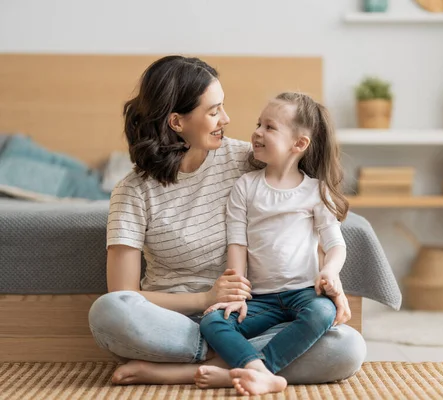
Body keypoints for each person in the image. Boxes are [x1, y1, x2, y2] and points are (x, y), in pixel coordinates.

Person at [87, 55, 366, 386]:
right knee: (108, 311)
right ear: (177, 122)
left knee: (347, 347)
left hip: (251, 315)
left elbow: (298, 214)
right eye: (214, 111)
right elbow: (125, 293)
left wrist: (332, 285)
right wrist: (206, 300)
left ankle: (192, 369)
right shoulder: (132, 192)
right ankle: (237, 358)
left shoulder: (245, 160)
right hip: (173, 322)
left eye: (224, 107)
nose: (228, 119)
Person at [197, 92, 348, 395]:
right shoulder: (245, 186)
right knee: (212, 322)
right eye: (258, 124)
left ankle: (254, 371)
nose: (257, 132)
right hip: (259, 299)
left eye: (269, 127)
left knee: (323, 313)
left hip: (304, 293)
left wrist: (330, 272)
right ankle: (259, 372)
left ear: (299, 144)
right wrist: (237, 294)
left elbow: (336, 245)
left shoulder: (316, 192)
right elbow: (237, 244)